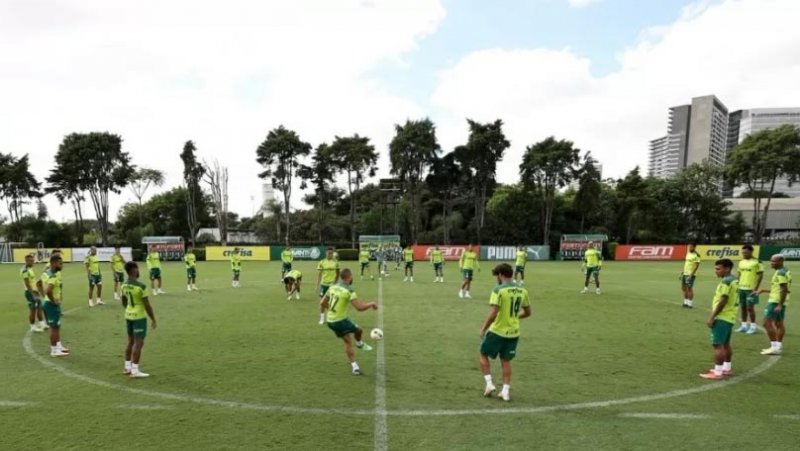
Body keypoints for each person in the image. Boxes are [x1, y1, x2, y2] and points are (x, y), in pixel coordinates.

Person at [479, 263, 531, 401]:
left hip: (497, 331)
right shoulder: (522, 290)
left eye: (497, 275)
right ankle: (505, 391)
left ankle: (489, 384)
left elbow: (493, 312)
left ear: (501, 275)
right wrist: (514, 317)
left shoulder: (498, 290)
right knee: (506, 360)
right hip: (514, 332)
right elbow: (527, 312)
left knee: (483, 354)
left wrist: (483, 328)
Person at [319, 268, 376, 375]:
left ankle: (355, 367)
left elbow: (322, 303)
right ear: (349, 277)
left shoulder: (332, 287)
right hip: (340, 321)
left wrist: (331, 309)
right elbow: (360, 308)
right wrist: (371, 303)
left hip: (330, 321)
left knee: (347, 341)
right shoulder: (349, 290)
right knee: (358, 330)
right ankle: (359, 343)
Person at [700, 258, 738, 380]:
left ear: (727, 269)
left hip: (722, 317)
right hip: (730, 316)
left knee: (718, 345)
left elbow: (723, 300)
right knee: (726, 344)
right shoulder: (734, 280)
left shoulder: (726, 282)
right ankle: (726, 368)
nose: (716, 271)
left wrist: (712, 316)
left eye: (718, 269)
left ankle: (717, 372)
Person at [121, 261, 157, 378]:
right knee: (138, 343)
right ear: (134, 270)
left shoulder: (124, 285)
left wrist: (130, 310)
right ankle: (135, 370)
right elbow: (147, 305)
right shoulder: (141, 286)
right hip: (139, 317)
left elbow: (124, 302)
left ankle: (127, 367)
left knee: (130, 341)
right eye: (137, 268)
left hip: (128, 315)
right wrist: (153, 319)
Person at [759, 254, 791, 355]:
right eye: (771, 261)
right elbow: (781, 289)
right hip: (780, 300)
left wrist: (779, 304)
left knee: (766, 323)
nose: (771, 263)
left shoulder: (780, 273)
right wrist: (764, 290)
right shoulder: (785, 271)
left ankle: (774, 347)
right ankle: (778, 346)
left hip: (776, 301)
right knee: (779, 323)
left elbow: (784, 289)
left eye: (774, 261)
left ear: (781, 261)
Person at [40, 255, 70, 357]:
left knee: (57, 326)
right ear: (53, 263)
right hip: (51, 305)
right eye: (60, 263)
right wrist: (53, 301)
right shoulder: (53, 276)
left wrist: (43, 295)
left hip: (47, 302)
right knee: (54, 328)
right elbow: (48, 290)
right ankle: (54, 351)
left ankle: (58, 346)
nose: (62, 266)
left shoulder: (46, 273)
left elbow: (38, 283)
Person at [736, 245, 764, 334]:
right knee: (743, 307)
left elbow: (760, 276)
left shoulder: (757, 262)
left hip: (751, 289)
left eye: (746, 252)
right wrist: (737, 285)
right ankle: (744, 326)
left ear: (751, 252)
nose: (744, 254)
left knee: (750, 308)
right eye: (743, 252)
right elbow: (739, 274)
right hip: (741, 288)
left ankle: (753, 327)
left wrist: (755, 289)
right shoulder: (741, 262)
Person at [22, 254, 47, 332]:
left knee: (39, 307)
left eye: (33, 261)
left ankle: (42, 324)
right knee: (33, 310)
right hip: (30, 292)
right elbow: (27, 283)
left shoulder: (29, 268)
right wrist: (32, 293)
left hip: (35, 291)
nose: (33, 262)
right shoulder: (25, 270)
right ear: (26, 261)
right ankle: (32, 327)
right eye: (31, 261)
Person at [317, 248, 340, 323]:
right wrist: (317, 285)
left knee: (331, 301)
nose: (329, 254)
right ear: (326, 253)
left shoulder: (336, 262)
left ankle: (332, 315)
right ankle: (322, 318)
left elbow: (338, 273)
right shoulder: (322, 262)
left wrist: (335, 282)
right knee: (322, 302)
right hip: (323, 285)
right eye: (328, 253)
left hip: (332, 286)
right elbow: (319, 274)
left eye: (331, 253)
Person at [681, 243, 701, 308]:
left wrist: (691, 274)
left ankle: (690, 304)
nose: (689, 248)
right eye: (689, 247)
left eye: (691, 247)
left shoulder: (697, 255)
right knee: (684, 288)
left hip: (690, 274)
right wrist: (682, 272)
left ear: (694, 247)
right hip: (685, 273)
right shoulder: (688, 253)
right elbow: (686, 264)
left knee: (689, 288)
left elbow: (697, 266)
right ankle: (685, 302)